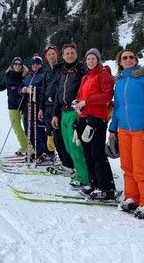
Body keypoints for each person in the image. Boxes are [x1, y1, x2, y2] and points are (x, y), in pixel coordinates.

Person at [108, 49, 144, 219]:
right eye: (125, 58)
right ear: (120, 63)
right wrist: (112, 130)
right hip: (124, 131)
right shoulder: (121, 82)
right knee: (127, 167)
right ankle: (132, 198)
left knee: (141, 167)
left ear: (136, 60)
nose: (128, 59)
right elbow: (117, 108)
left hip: (142, 131)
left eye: (131, 57)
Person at [74, 48, 116, 200]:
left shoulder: (103, 75)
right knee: (87, 152)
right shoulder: (86, 77)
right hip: (84, 117)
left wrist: (87, 101)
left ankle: (107, 187)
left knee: (97, 152)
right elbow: (79, 95)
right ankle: (94, 183)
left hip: (97, 118)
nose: (90, 61)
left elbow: (107, 95)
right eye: (88, 59)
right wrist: (77, 102)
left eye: (93, 58)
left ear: (98, 60)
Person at [51, 43, 89, 187]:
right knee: (68, 146)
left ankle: (84, 177)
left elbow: (92, 74)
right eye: (67, 53)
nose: (70, 55)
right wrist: (55, 114)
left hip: (75, 112)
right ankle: (79, 170)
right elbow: (58, 95)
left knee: (76, 146)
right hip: (63, 112)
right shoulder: (63, 72)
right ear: (63, 55)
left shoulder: (81, 69)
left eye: (72, 53)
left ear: (76, 54)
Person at [0, 57, 29, 154]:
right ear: (12, 65)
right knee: (16, 127)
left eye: (19, 64)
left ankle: (32, 148)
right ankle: (24, 146)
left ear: (22, 66)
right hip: (12, 105)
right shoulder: (8, 75)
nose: (17, 66)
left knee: (28, 128)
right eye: (15, 64)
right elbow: (2, 86)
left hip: (24, 105)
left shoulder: (26, 76)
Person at [38, 44, 74, 169]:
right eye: (49, 54)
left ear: (57, 55)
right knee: (52, 135)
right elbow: (43, 90)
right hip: (47, 107)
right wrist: (41, 108)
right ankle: (64, 161)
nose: (51, 56)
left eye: (53, 53)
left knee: (60, 137)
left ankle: (68, 163)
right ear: (46, 57)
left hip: (57, 107)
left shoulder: (62, 68)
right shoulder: (47, 71)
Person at [19, 54, 48, 161]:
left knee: (40, 132)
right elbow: (20, 86)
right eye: (33, 63)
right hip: (28, 106)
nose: (35, 65)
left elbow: (46, 88)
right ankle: (37, 151)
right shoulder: (28, 77)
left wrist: (35, 89)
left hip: (39, 106)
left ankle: (47, 152)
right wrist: (23, 89)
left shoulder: (44, 74)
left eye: (38, 63)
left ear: (41, 64)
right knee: (28, 131)